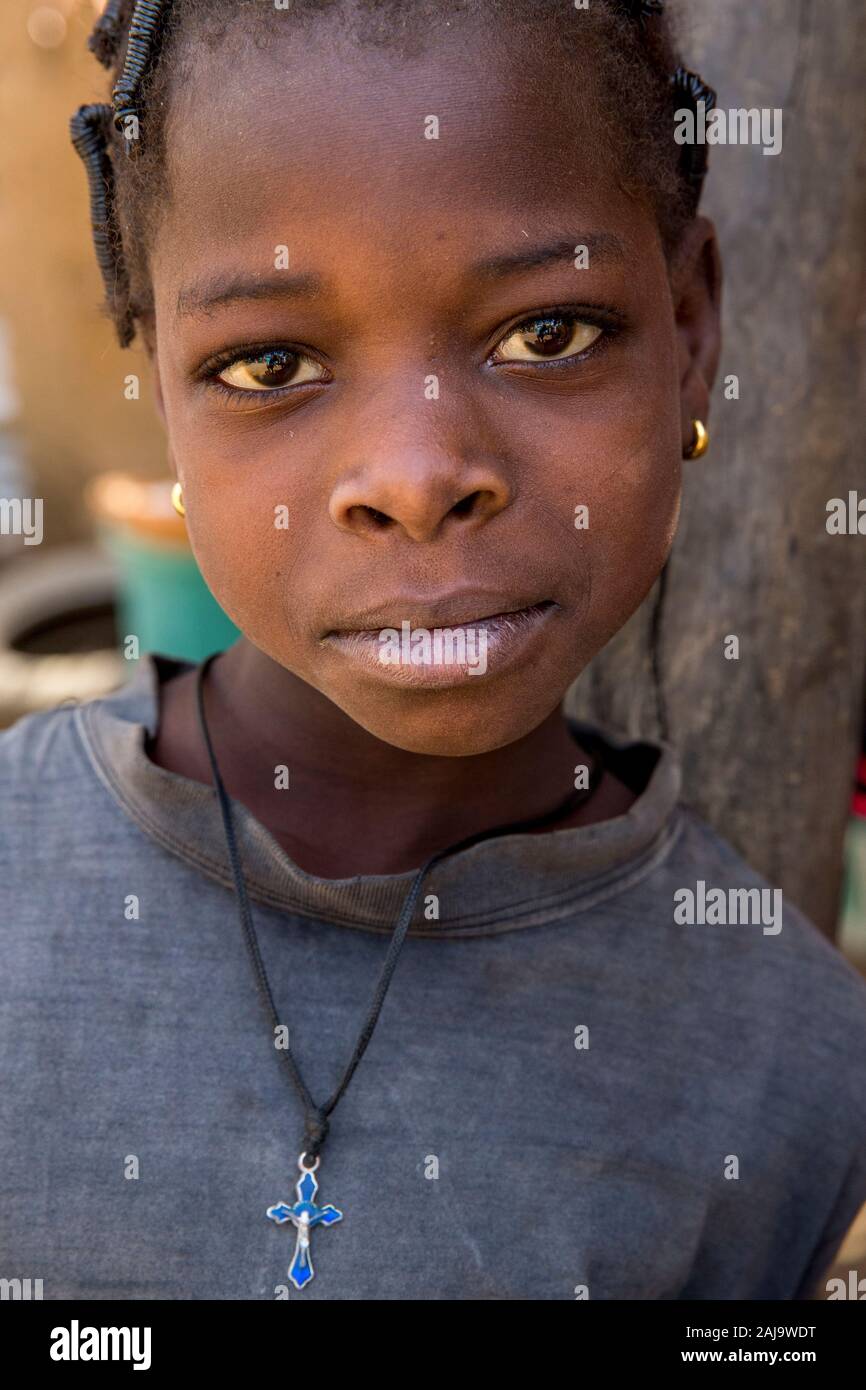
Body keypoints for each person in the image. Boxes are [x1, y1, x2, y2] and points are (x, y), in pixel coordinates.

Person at [1, 0, 864, 1300]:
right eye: (270, 361)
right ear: (161, 385)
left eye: (546, 333)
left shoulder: (793, 1058)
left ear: (688, 332)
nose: (413, 480)